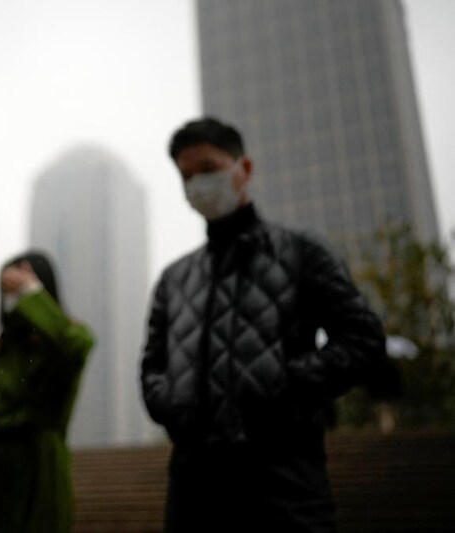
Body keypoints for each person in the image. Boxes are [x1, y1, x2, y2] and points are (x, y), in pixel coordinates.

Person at [140, 117, 387, 532]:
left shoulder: (301, 252)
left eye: (209, 169)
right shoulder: (174, 279)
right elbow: (152, 367)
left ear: (244, 169)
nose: (198, 184)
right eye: (186, 176)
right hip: (193, 489)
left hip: (283, 483)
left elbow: (363, 338)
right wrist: (177, 405)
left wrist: (282, 386)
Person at [0, 251, 94, 533]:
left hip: (39, 482)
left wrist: (33, 296)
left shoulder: (59, 345)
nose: (13, 295)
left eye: (22, 285)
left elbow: (77, 344)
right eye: (8, 287)